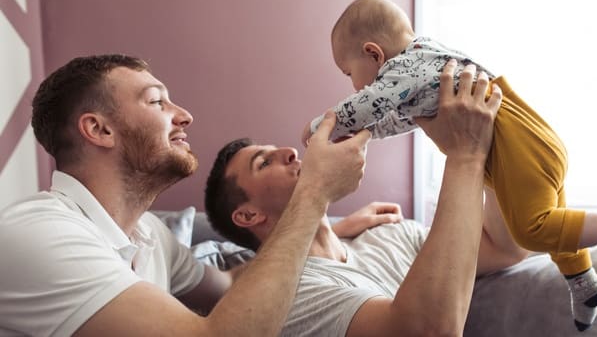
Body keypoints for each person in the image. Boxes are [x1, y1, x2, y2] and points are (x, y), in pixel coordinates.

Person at [301, 0, 597, 331]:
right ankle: (582, 280)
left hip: (513, 145)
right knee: (554, 221)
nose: (353, 86)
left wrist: (321, 127)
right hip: (523, 134)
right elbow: (396, 120)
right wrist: (368, 134)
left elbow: (365, 106)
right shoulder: (424, 64)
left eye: (349, 74)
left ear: (373, 54)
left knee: (531, 228)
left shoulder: (401, 69)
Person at [0, 54, 393, 337]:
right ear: (100, 130)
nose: (184, 114)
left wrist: (332, 229)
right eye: (157, 101)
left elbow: (233, 283)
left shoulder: (151, 235)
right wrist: (313, 194)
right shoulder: (40, 234)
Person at [205, 59, 530, 336]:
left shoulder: (391, 232)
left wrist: (492, 144)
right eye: (263, 162)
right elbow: (428, 330)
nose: (289, 152)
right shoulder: (283, 294)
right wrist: (466, 155)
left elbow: (504, 247)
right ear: (248, 215)